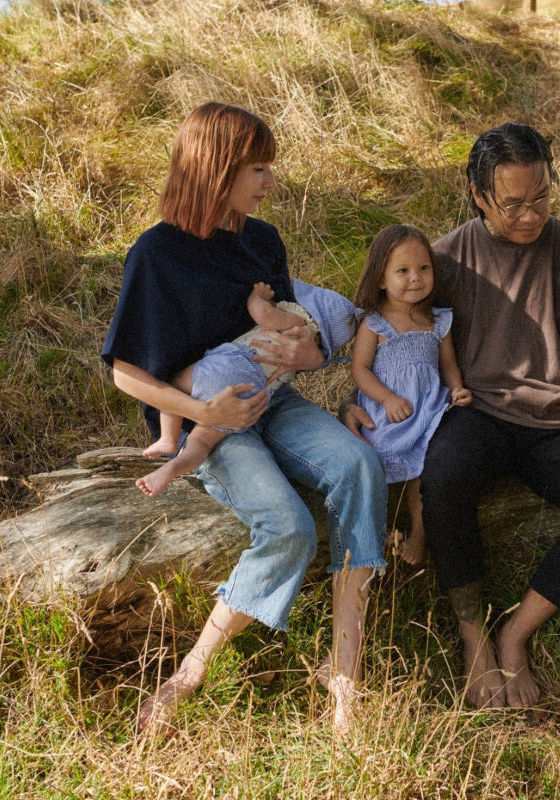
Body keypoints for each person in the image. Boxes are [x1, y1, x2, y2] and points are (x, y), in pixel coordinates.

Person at [101, 102, 387, 734]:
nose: (270, 181)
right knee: (288, 526)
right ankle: (189, 674)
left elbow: (304, 346)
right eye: (258, 168)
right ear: (217, 167)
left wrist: (306, 351)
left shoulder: (263, 241)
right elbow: (127, 373)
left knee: (360, 466)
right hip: (210, 420)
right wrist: (206, 410)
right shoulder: (157, 253)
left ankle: (345, 673)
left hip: (275, 399)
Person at [344, 123, 560, 709]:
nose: (531, 215)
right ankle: (474, 639)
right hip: (476, 413)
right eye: (513, 204)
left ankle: (515, 631)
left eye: (541, 197)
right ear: (479, 195)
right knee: (444, 478)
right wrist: (355, 403)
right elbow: (381, 334)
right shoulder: (444, 260)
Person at [136, 278, 357, 498]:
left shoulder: (299, 322)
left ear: (312, 313)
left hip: (232, 366)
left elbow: (264, 315)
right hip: (252, 396)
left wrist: (257, 297)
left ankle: (168, 438)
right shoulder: (301, 356)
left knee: (173, 385)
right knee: (202, 442)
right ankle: (173, 469)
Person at [351, 224, 471, 564]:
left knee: (423, 471)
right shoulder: (374, 324)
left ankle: (419, 533)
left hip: (428, 409)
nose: (415, 278)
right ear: (380, 279)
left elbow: (448, 364)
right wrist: (387, 398)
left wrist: (457, 389)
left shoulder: (437, 321)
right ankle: (388, 530)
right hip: (388, 411)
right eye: (402, 271)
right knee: (382, 466)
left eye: (423, 268)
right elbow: (359, 369)